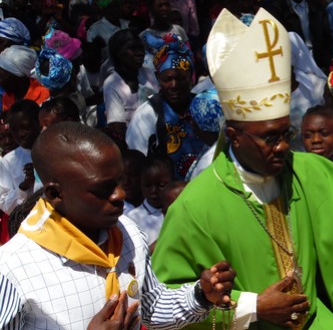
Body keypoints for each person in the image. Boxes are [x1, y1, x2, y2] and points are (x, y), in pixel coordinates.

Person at [152, 8, 333, 329]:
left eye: (285, 134)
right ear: (235, 136)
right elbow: (162, 308)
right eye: (269, 137)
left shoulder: (314, 173)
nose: (282, 146)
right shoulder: (195, 206)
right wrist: (253, 306)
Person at [0, 121, 236, 329]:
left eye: (119, 181)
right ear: (55, 193)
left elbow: (151, 307)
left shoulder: (128, 232)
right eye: (104, 189)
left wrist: (201, 296)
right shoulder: (13, 269)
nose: (120, 194)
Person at [127, 33, 216, 180]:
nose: (174, 85)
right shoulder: (147, 115)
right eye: (167, 79)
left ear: (191, 77)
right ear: (158, 78)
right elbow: (139, 165)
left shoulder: (205, 107)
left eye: (180, 78)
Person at [0, 100, 42, 215]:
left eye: (25, 127)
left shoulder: (55, 148)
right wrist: (24, 186)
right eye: (15, 130)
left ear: (39, 123)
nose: (21, 134)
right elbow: (5, 204)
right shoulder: (8, 161)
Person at [125, 154, 173, 248]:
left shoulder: (179, 210)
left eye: (161, 185)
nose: (154, 191)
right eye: (148, 185)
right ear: (140, 184)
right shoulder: (133, 218)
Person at [0, 45, 49, 113]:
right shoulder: (7, 97)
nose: (0, 81)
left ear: (19, 76)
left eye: (1, 76)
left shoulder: (45, 96)